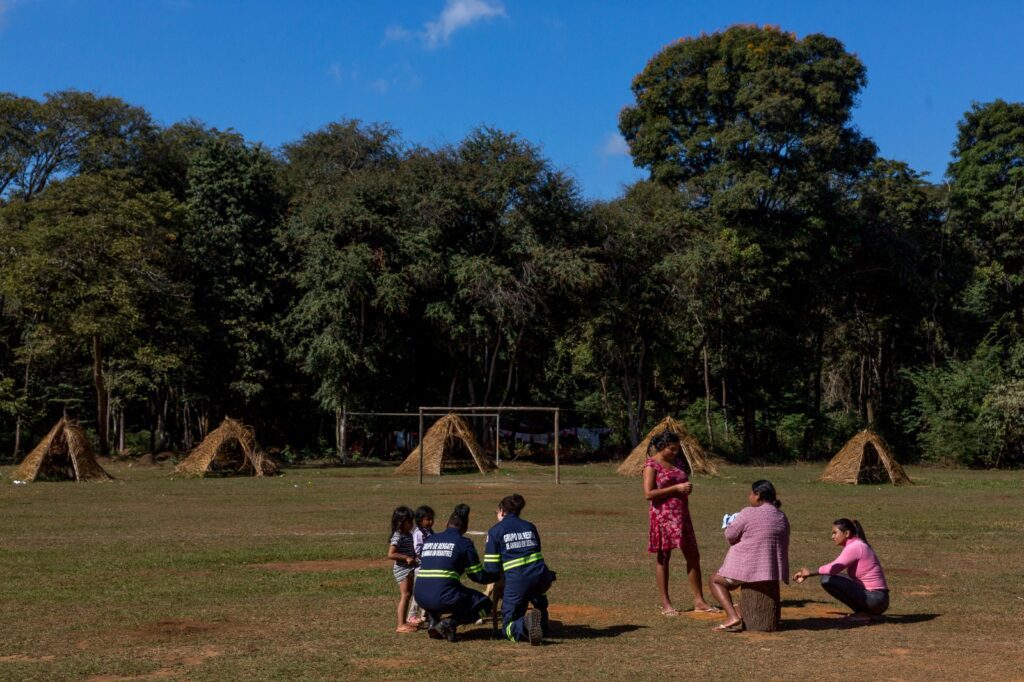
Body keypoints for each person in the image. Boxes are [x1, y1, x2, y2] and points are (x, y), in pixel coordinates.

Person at [642, 431, 717, 616]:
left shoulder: (678, 462)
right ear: (661, 447)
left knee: (693, 556)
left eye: (677, 449)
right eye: (671, 449)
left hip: (682, 516)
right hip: (663, 517)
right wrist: (676, 488)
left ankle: (699, 600)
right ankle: (666, 603)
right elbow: (648, 494)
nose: (675, 452)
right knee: (664, 558)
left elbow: (682, 481)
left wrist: (685, 489)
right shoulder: (651, 465)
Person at [709, 479, 790, 632]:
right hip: (773, 570)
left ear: (758, 495)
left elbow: (730, 536)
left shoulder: (747, 512)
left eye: (750, 494)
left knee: (715, 580)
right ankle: (740, 610)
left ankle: (732, 616)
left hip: (750, 568)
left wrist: (729, 524)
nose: (749, 497)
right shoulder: (781, 516)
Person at [414, 504, 498, 642]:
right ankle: (449, 623)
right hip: (441, 597)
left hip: (420, 597)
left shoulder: (430, 539)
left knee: (442, 586)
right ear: (465, 528)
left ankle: (433, 623)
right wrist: (497, 575)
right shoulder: (463, 543)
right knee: (485, 604)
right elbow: (477, 576)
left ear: (447, 524)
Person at [484, 494, 556, 645]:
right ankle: (542, 621)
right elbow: (537, 551)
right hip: (542, 577)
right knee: (534, 592)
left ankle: (526, 623)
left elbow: (492, 568)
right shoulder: (530, 526)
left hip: (518, 581)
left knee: (507, 627)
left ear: (502, 511)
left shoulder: (495, 531)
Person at [793, 518, 889, 622]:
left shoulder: (855, 547)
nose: (832, 536)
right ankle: (865, 613)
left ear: (847, 533)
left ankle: (864, 613)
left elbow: (833, 568)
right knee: (830, 577)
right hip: (877, 599)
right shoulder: (857, 544)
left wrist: (809, 573)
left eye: (835, 533)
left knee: (827, 579)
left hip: (875, 599)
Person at [387, 506, 419, 633]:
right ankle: (400, 625)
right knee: (405, 595)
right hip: (402, 569)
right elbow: (391, 554)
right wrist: (406, 558)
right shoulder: (398, 535)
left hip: (409, 568)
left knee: (408, 594)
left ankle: (405, 622)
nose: (412, 524)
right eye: (409, 522)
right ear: (401, 522)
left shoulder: (408, 534)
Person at [406, 505, 435, 627]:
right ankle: (412, 614)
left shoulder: (431, 532)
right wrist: (428, 556)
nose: (431, 522)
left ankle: (425, 614)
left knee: (428, 591)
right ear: (419, 520)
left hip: (430, 567)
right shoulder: (418, 533)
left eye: (432, 519)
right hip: (421, 568)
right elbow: (417, 550)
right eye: (427, 519)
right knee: (418, 592)